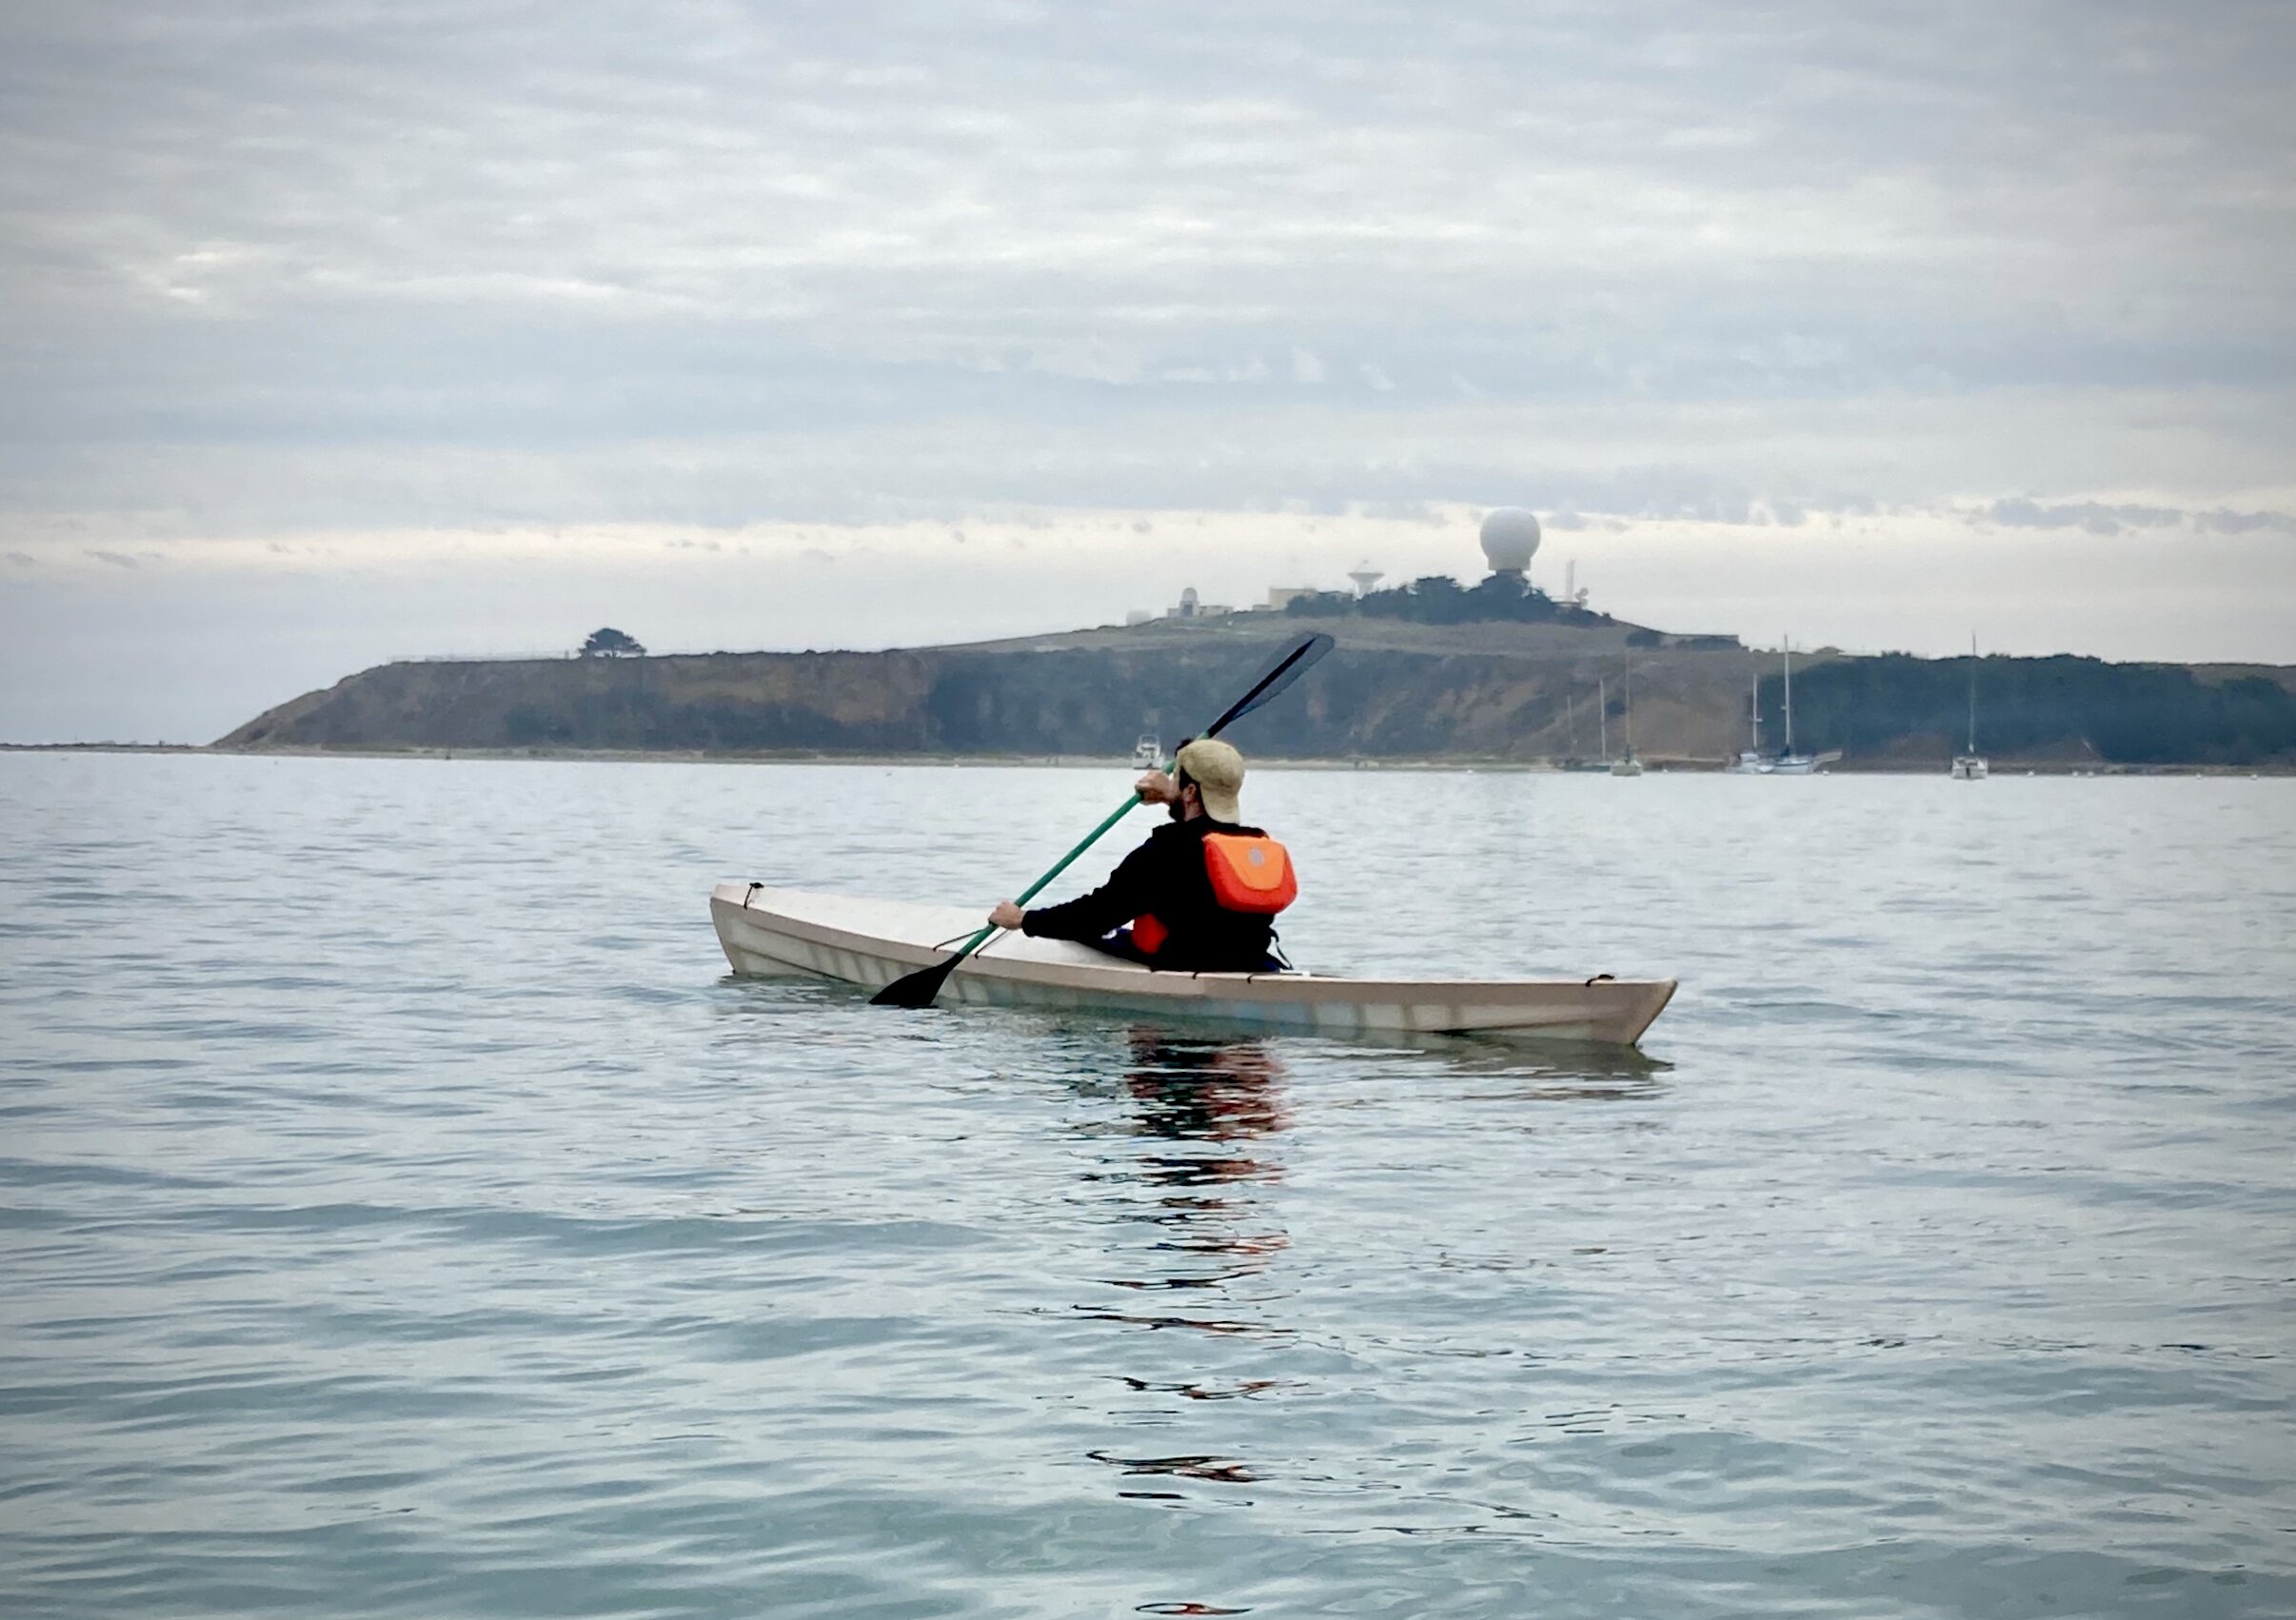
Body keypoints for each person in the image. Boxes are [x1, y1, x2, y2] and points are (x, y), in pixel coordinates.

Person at [986, 739, 1294, 973]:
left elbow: (1098, 914)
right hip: (1253, 964)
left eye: (1176, 780)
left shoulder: (1168, 848)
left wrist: (1024, 919)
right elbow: (1202, 833)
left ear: (1189, 793)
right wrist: (1173, 796)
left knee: (1102, 933)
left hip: (1179, 967)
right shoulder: (1257, 844)